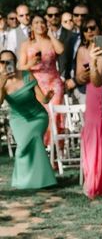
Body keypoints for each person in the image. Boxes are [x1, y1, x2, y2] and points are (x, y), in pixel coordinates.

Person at [0, 50, 57, 189]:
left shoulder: (26, 75)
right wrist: (1, 85)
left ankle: (42, 180)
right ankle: (27, 181)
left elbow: (42, 98)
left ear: (15, 62)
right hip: (18, 120)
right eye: (3, 62)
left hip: (38, 117)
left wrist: (48, 96)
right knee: (23, 148)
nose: (7, 64)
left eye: (10, 61)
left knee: (30, 142)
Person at [76, 17, 102, 199]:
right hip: (93, 92)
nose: (90, 31)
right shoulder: (82, 50)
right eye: (86, 29)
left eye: (93, 27)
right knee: (94, 133)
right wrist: (88, 68)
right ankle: (94, 179)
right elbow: (79, 77)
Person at [17, 13, 65, 146]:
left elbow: (61, 50)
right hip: (36, 85)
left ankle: (55, 150)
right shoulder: (26, 45)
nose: (40, 25)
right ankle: (42, 147)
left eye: (42, 22)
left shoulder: (51, 41)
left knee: (54, 115)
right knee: (41, 116)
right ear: (31, 26)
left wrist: (50, 34)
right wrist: (31, 63)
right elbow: (20, 67)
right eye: (36, 23)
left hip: (54, 83)